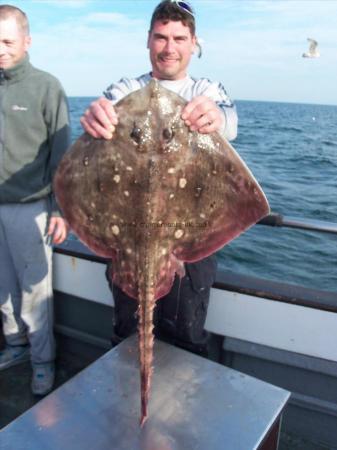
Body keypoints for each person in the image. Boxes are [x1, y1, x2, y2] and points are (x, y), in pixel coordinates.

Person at [81, 0, 238, 356]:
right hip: (129, 238)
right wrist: (95, 117)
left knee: (187, 338)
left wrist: (217, 118)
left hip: (190, 241)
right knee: (127, 335)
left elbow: (229, 121)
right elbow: (100, 122)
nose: (170, 48)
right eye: (161, 37)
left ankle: (182, 410)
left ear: (194, 43)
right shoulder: (124, 90)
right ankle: (126, 402)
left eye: (179, 38)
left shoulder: (207, 91)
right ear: (148, 41)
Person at [0, 5, 70, 395]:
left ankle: (43, 361)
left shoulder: (47, 87)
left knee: (34, 293)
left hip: (31, 208)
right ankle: (15, 346)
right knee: (3, 289)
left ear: (27, 42)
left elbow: (62, 155)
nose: (0, 49)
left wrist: (60, 209)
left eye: (8, 41)